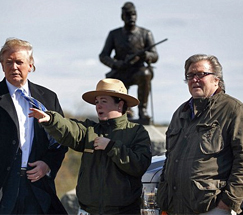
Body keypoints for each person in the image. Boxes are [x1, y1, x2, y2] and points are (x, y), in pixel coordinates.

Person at [0, 38, 68, 214]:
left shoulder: (48, 98)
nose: (14, 67)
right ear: (2, 66)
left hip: (38, 188)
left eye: (19, 62)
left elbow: (61, 139)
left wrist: (47, 164)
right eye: (8, 62)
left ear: (31, 65)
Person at [29, 78, 152, 214]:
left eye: (103, 101)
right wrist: (51, 119)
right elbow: (70, 128)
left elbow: (139, 165)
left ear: (120, 105)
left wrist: (111, 147)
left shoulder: (136, 132)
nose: (98, 106)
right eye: (97, 102)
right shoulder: (90, 130)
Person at [157, 54, 243, 215]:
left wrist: (227, 203)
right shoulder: (180, 113)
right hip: (175, 207)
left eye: (201, 74)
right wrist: (164, 196)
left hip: (211, 208)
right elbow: (170, 157)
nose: (195, 79)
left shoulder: (234, 110)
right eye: (190, 75)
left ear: (216, 80)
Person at [99, 2, 158, 121]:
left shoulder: (146, 33)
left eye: (134, 14)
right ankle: (126, 111)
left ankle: (143, 110)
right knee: (115, 83)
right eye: (128, 15)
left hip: (138, 70)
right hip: (121, 70)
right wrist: (116, 64)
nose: (131, 17)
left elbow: (155, 55)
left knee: (145, 74)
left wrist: (146, 55)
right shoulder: (114, 34)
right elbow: (103, 55)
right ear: (122, 17)